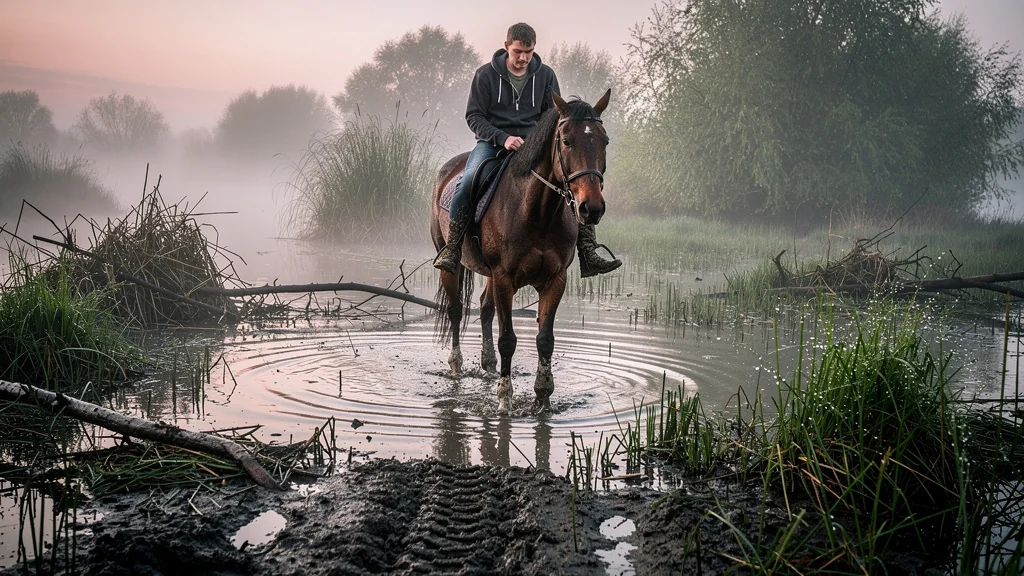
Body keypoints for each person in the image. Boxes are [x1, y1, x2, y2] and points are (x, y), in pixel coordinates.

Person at [433, 22, 621, 278]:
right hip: (491, 144)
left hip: (534, 146)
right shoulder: (484, 76)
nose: (523, 58)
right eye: (518, 51)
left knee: (572, 180)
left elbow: (554, 117)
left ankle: (588, 252)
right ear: (506, 47)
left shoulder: (546, 76)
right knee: (468, 181)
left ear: (534, 49)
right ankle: (453, 249)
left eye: (528, 52)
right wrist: (503, 138)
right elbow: (474, 116)